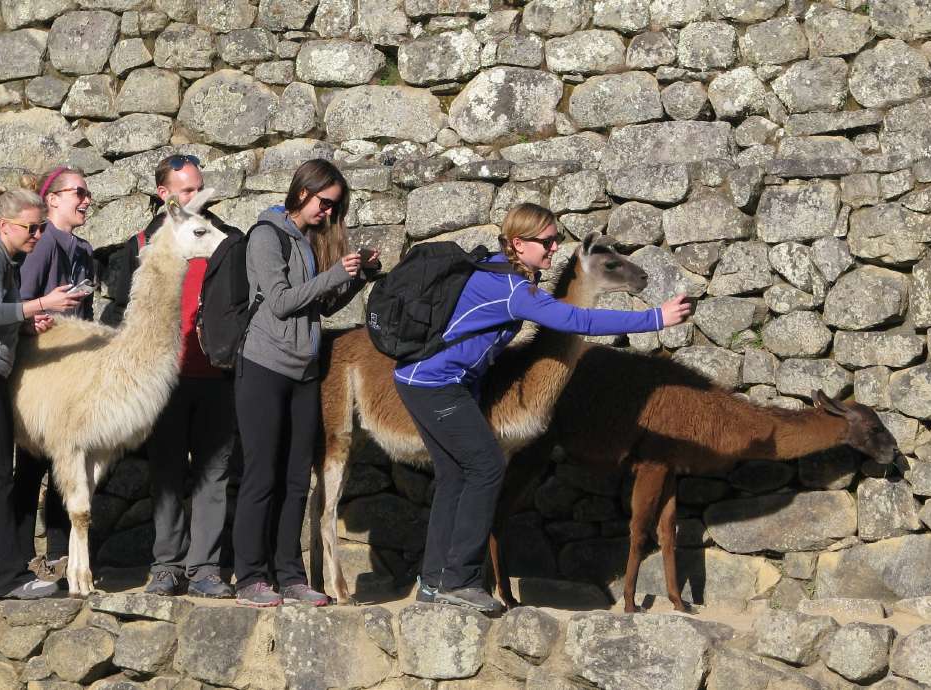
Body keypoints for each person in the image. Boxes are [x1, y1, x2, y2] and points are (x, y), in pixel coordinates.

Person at [395, 203, 694, 615]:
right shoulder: (512, 289)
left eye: (555, 239)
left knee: (453, 475)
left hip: (429, 381)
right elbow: (577, 322)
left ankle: (434, 581)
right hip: (434, 385)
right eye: (547, 241)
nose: (555, 247)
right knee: (485, 467)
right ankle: (460, 580)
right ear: (519, 243)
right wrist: (656, 318)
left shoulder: (500, 269)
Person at [233, 159, 377, 607]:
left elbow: (321, 308)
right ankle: (251, 577)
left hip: (304, 370)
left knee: (297, 479)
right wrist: (335, 274)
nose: (328, 214)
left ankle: (291, 576)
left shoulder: (310, 242)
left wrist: (357, 278)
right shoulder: (265, 236)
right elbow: (277, 302)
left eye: (335, 208)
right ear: (302, 192)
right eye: (325, 203)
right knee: (261, 475)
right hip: (263, 366)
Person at [104, 154, 240, 599]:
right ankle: (167, 565)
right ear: (164, 196)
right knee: (165, 473)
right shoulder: (139, 244)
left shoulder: (227, 241)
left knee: (212, 473)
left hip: (216, 374)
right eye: (185, 190)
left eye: (198, 186)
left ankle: (204, 568)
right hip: (161, 380)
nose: (195, 195)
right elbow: (118, 310)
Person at [0, 188, 83, 600]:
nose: (38, 234)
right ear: (4, 225)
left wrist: (25, 324)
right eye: (31, 227)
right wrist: (42, 302)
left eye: (41, 226)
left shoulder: (7, 261)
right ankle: (7, 578)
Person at [11, 166, 94, 583]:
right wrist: (33, 322)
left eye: (87, 192)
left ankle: (60, 556)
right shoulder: (42, 246)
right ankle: (21, 556)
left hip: (71, 378)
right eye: (77, 191)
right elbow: (20, 304)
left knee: (68, 462)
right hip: (40, 376)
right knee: (29, 468)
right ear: (53, 199)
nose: (85, 199)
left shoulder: (82, 250)